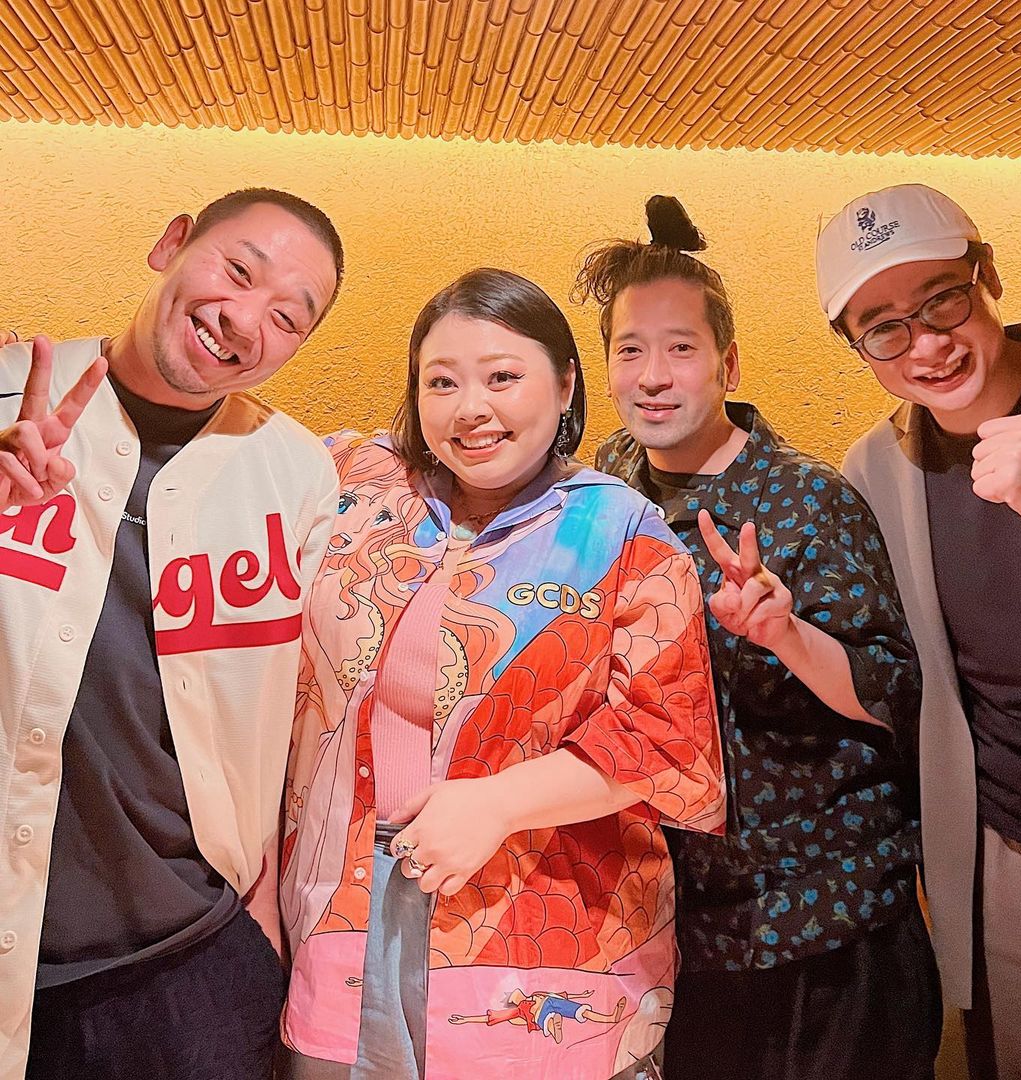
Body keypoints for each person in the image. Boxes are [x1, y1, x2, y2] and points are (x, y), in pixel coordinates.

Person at [278, 267, 726, 1080]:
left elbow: (666, 739)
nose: (470, 408)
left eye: (502, 377)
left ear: (565, 385)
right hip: (342, 912)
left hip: (547, 936)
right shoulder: (350, 481)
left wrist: (496, 803)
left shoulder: (623, 531)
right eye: (441, 382)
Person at [578, 196, 940, 1080]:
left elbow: (897, 695)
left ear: (728, 362)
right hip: (682, 928)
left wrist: (786, 634)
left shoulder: (809, 501)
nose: (653, 377)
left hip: (827, 921)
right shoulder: (605, 490)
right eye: (630, 350)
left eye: (681, 349)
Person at [0, 188, 344, 1080]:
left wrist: (259, 911)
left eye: (287, 317)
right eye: (238, 270)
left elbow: (302, 706)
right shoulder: (9, 399)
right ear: (172, 244)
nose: (244, 321)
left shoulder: (296, 474)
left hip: (187, 957)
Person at [818, 182, 1021, 1079]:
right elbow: (898, 678)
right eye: (884, 328)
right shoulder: (874, 470)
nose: (926, 344)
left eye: (942, 300)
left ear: (988, 273)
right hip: (1012, 856)